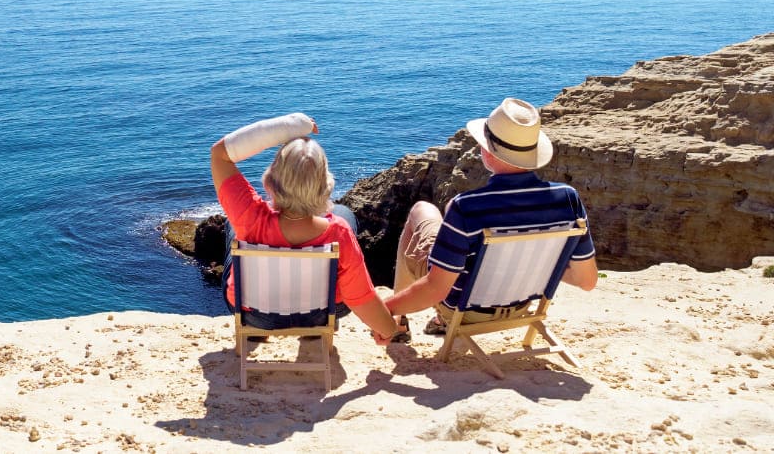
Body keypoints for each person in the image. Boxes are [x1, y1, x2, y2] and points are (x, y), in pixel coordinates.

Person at [376, 98, 598, 344]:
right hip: (521, 306)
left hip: (464, 310)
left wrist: (384, 310)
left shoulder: (467, 206)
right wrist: (541, 263)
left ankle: (397, 324)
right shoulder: (568, 198)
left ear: (487, 151)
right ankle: (432, 321)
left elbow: (435, 289)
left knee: (422, 210)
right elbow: (586, 281)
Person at [211, 112, 397, 338]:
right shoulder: (339, 232)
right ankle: (313, 332)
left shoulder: (249, 217)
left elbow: (220, 153)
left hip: (253, 314)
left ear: (270, 181)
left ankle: (256, 333)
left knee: (234, 226)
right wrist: (388, 329)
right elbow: (361, 298)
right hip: (319, 314)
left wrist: (291, 126)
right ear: (325, 186)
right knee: (344, 213)